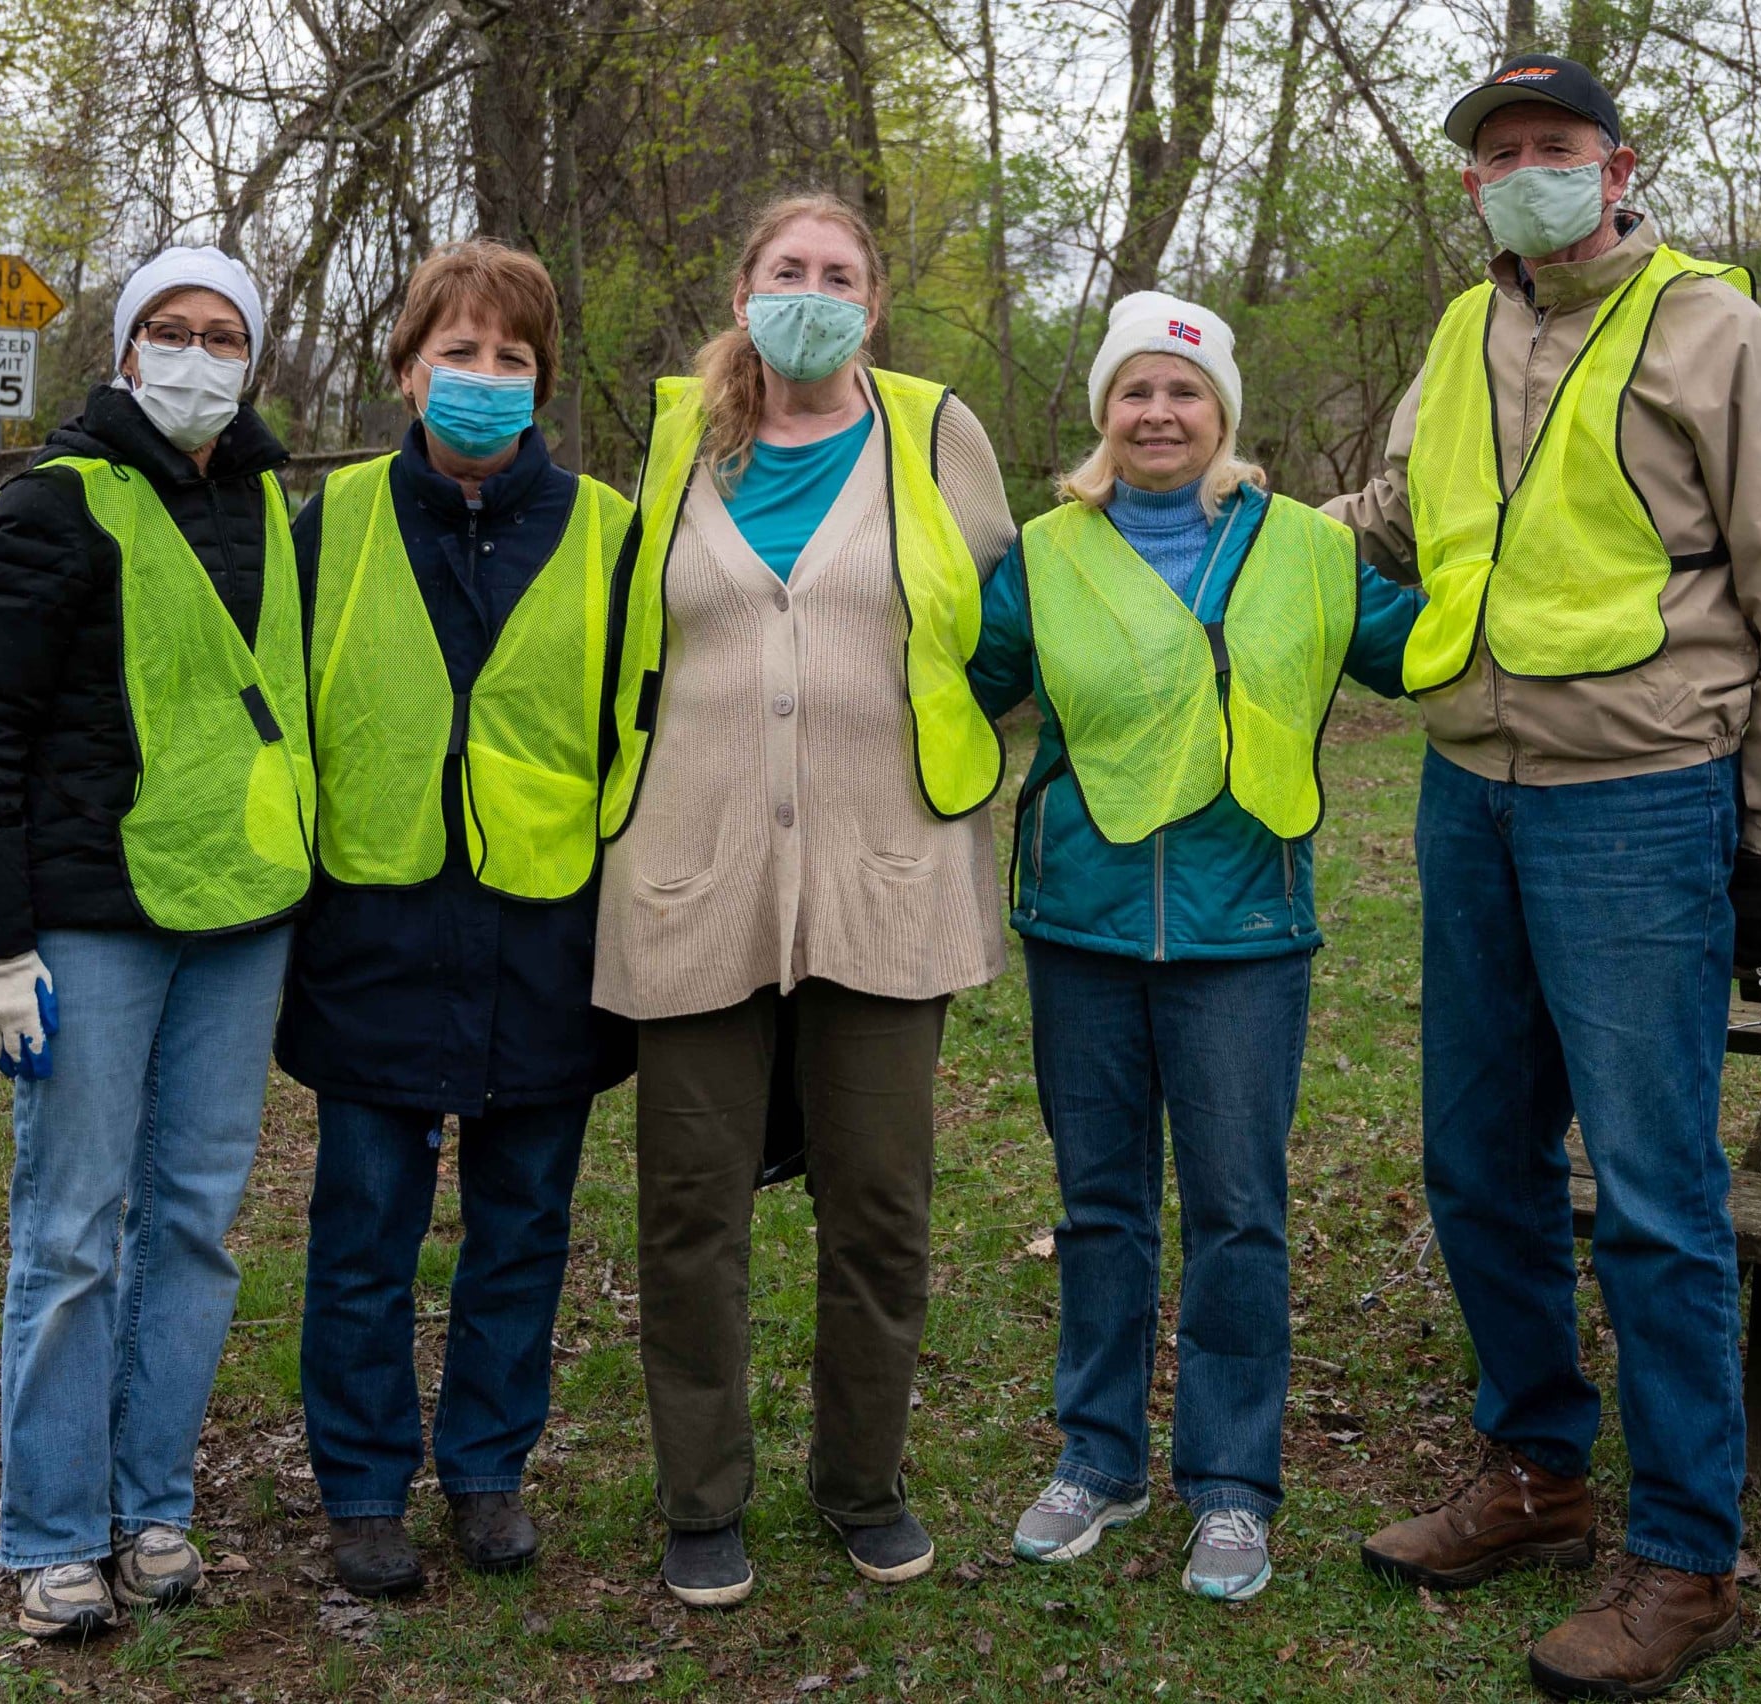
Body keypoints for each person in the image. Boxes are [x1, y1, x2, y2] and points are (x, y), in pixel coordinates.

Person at [1330, 56, 1761, 1700]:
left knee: (1651, 1189)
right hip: (1469, 794)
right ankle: (1535, 1475)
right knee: (1480, 1160)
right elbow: (1397, 520)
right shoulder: (1457, 329)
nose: (1526, 172)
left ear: (1617, 166)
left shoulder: (1716, 331)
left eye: (1554, 146)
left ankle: (1691, 1558)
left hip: (1640, 805)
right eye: (1498, 154)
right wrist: (1227, 522)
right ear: (1472, 184)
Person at [595, 192, 1016, 1607]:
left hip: (888, 882)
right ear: (744, 294)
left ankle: (862, 1484)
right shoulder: (679, 444)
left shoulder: (937, 436)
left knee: (880, 1208)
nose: (814, 294)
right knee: (690, 1211)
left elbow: (1007, 626)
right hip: (690, 879)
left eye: (841, 275)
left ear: (874, 305)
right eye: (790, 270)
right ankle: (702, 1497)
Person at [966, 293, 1417, 1602]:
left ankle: (1229, 1487)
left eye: (1184, 392)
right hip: (1083, 927)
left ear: (1223, 414)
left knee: (1237, 1216)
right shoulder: (1044, 554)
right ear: (1103, 413)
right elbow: (955, 685)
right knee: (1099, 1210)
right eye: (1135, 391)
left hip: (1246, 934)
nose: (1158, 414)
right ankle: (1095, 1462)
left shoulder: (1307, 550)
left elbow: (1422, 652)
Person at [0, 247, 313, 1639]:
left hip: (240, 917)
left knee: (196, 1223)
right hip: (94, 923)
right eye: (170, 328)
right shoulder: (55, 501)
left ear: (253, 359)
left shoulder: (271, 506)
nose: (196, 355)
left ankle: (154, 1506)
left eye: (223, 335)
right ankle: (51, 1531)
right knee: (75, 1228)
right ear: (125, 345)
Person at [277, 241, 634, 1599]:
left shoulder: (609, 531)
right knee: (362, 1232)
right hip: (374, 936)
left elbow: (643, 733)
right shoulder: (331, 522)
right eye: (459, 352)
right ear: (408, 368)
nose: (485, 376)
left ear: (544, 380)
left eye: (512, 357)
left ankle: (488, 1472)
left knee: (523, 1228)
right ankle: (364, 1489)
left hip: (547, 941)